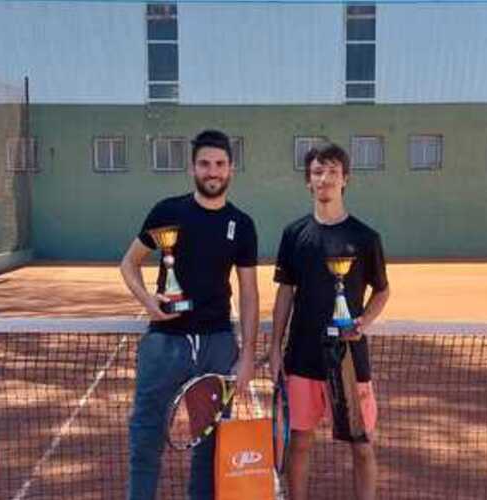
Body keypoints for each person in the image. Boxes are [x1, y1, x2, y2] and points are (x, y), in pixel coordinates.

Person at [120, 129, 259, 500]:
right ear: (192, 168)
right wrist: (148, 300)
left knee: (209, 444)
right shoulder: (168, 211)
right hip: (165, 343)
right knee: (147, 437)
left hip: (217, 344)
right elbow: (129, 263)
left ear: (231, 169)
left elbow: (248, 293)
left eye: (219, 164)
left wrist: (246, 355)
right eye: (204, 164)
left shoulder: (242, 225)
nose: (212, 171)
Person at [269, 142, 390, 500]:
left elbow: (381, 292)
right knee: (301, 443)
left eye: (332, 172)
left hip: (350, 359)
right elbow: (285, 295)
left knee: (362, 445)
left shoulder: (366, 238)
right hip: (302, 357)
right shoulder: (294, 235)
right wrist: (275, 348)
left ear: (345, 179)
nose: (325, 179)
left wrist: (362, 322)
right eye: (318, 172)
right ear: (309, 181)